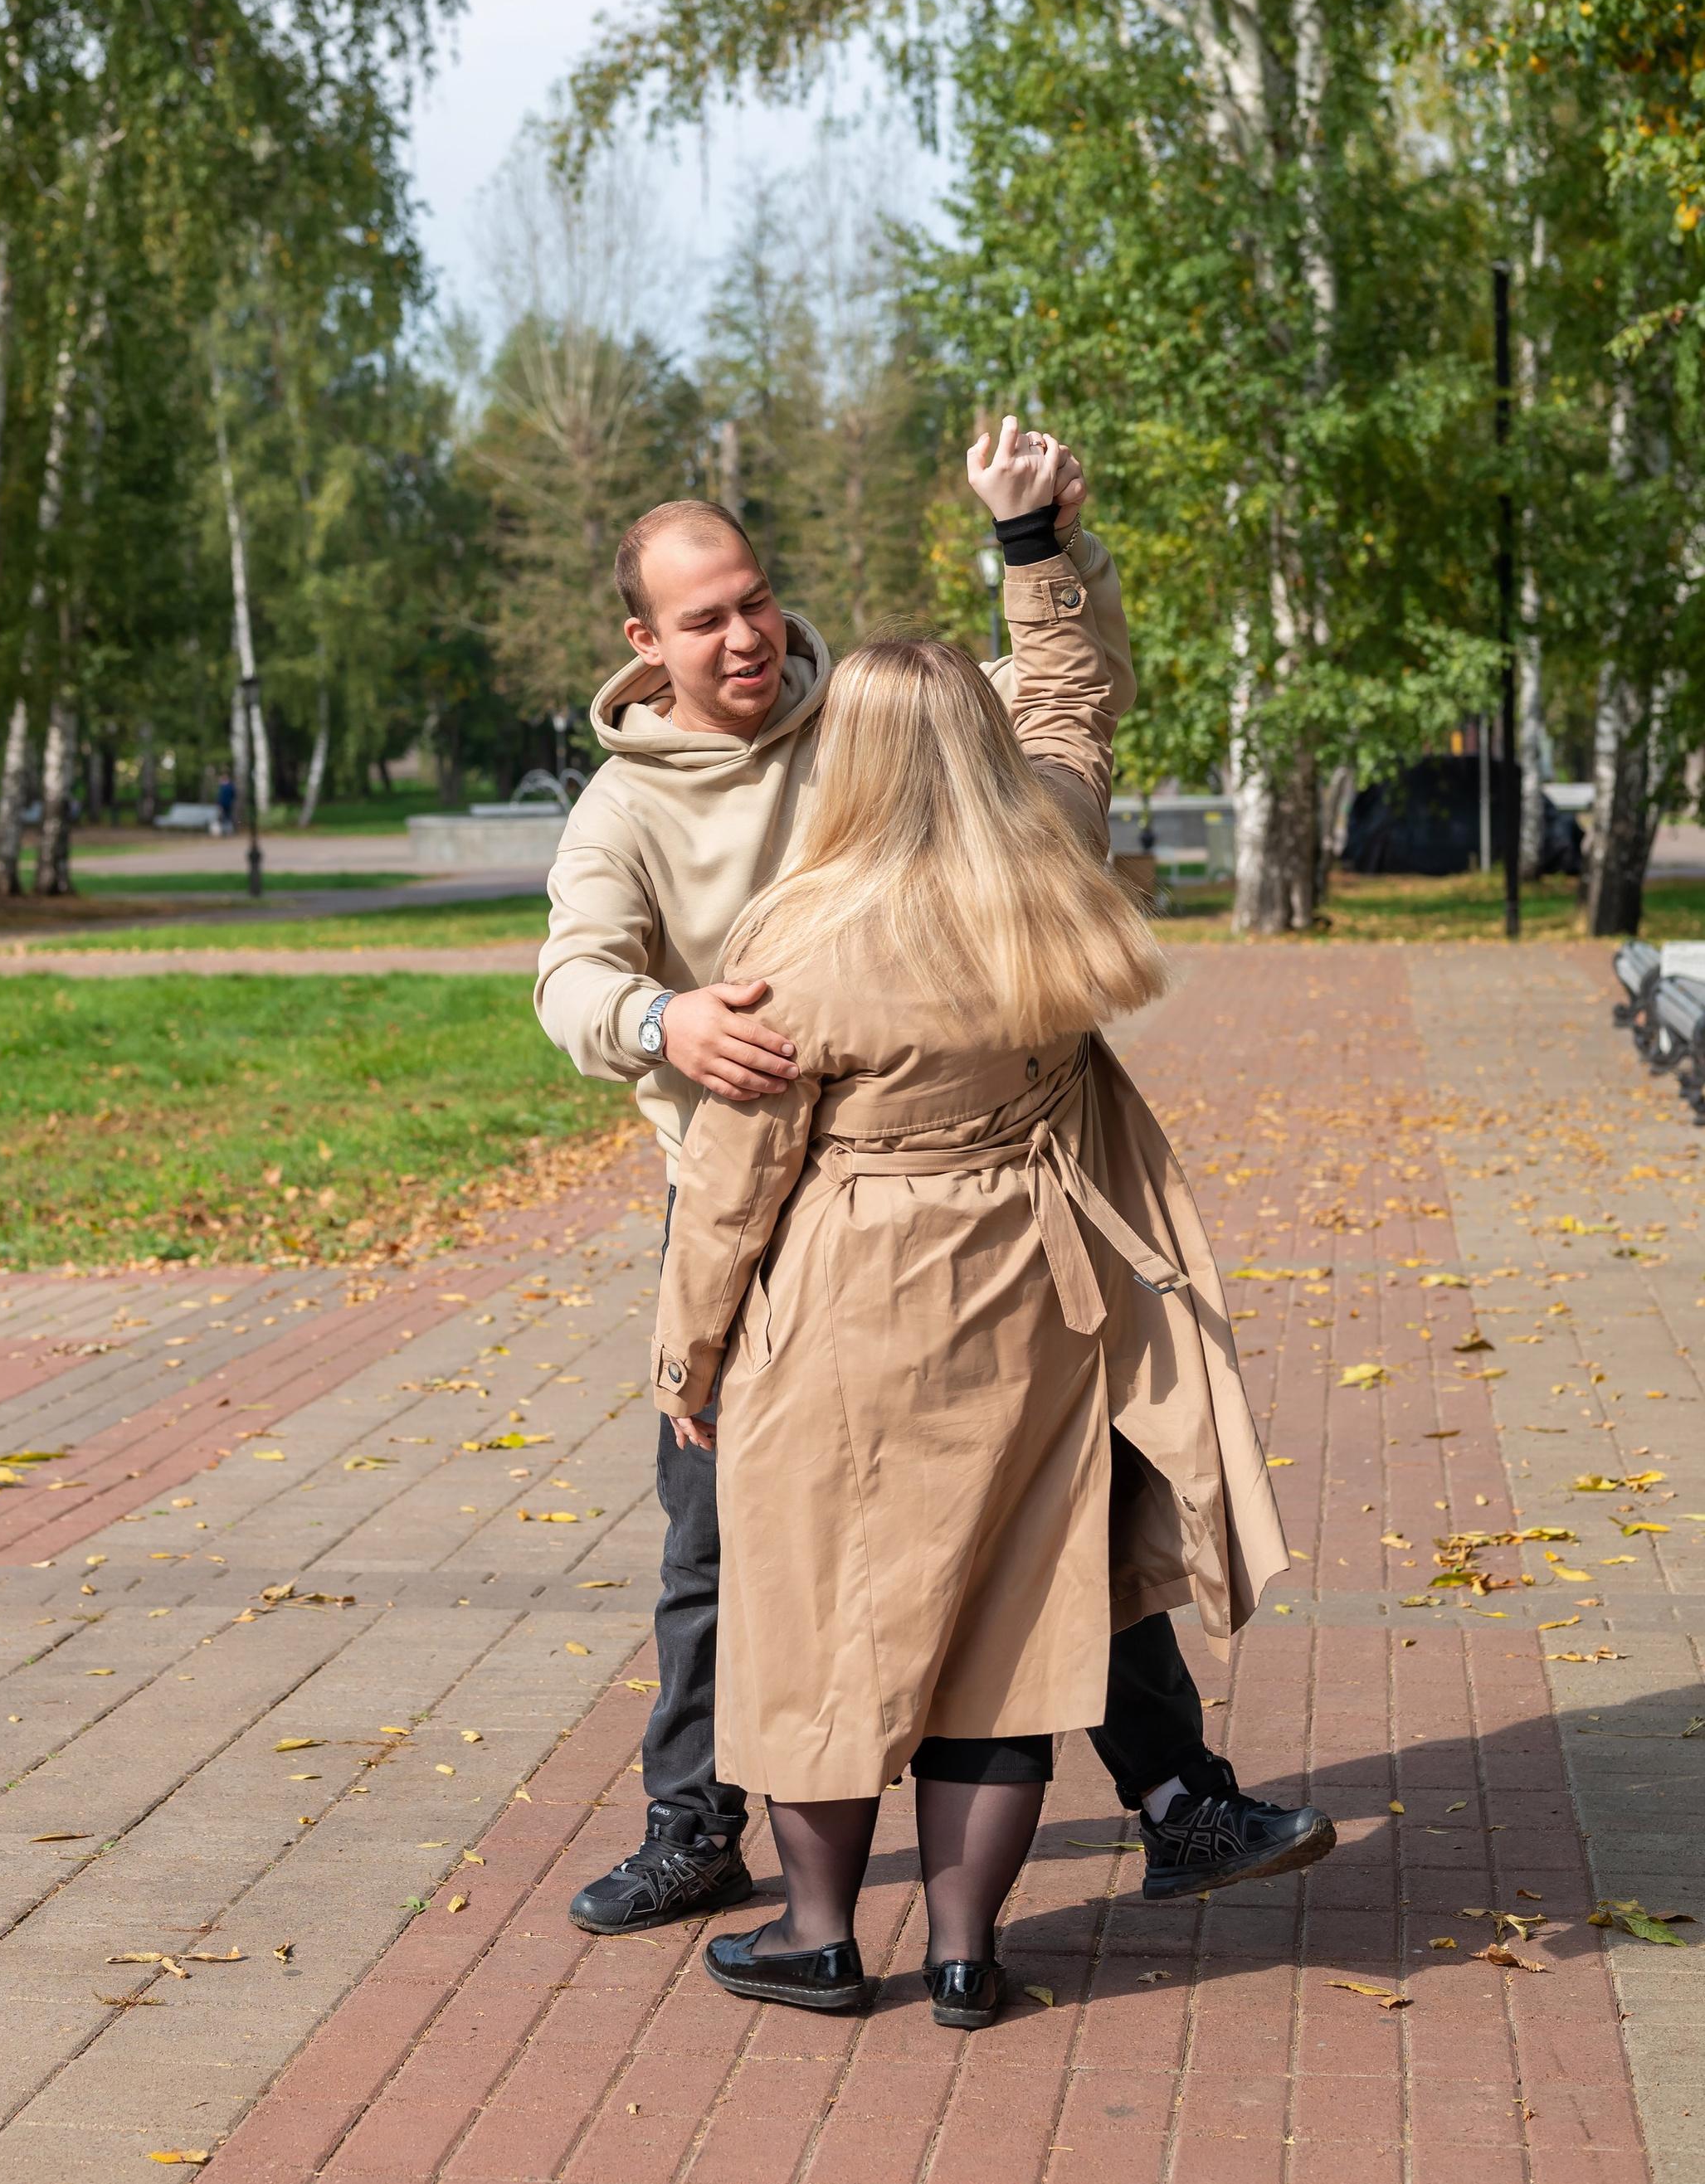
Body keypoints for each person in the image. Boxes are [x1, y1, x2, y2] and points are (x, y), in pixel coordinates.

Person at [537, 422, 1335, 1934]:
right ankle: (696, 1819)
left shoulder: (882, 715)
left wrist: (1039, 550)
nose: (746, 633)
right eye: (704, 619)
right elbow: (571, 979)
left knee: (1070, 1504)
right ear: (646, 645)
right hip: (749, 1198)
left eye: (755, 598)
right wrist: (667, 1018)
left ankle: (1174, 1797)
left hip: (984, 1192)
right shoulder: (629, 810)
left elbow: (1057, 709)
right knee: (724, 1532)